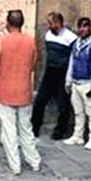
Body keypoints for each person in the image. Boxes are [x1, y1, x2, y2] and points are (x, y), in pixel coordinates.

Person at [0, 10, 41, 175]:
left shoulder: (2, 41)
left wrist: (6, 71)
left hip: (6, 89)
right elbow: (34, 64)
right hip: (24, 89)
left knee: (9, 129)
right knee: (26, 128)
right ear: (22, 23)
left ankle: (15, 165)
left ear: (7, 23)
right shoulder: (30, 41)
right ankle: (34, 161)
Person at [31, 12, 78, 140]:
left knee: (63, 103)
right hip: (50, 71)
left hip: (63, 71)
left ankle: (60, 131)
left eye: (52, 23)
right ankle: (34, 128)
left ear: (59, 23)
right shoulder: (48, 35)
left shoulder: (70, 37)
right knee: (40, 101)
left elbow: (74, 56)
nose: (50, 26)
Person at [64, 17, 91, 150]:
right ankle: (78, 135)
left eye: (85, 26)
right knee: (78, 111)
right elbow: (72, 62)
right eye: (80, 26)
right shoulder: (77, 43)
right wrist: (68, 80)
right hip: (76, 82)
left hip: (87, 83)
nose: (82, 29)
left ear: (90, 27)